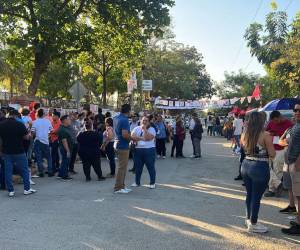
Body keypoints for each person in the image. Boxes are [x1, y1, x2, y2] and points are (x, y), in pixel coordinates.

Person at [240, 111, 275, 233]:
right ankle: (253, 223)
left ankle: (248, 219)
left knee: (249, 194)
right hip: (259, 167)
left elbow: (243, 151)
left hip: (245, 165)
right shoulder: (265, 135)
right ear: (260, 121)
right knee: (256, 197)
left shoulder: (244, 134)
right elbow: (272, 154)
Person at [0, 109, 36, 197]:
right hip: (19, 151)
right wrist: (30, 132)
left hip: (6, 152)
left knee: (8, 171)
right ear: (16, 116)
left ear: (8, 115)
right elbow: (27, 137)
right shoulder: (19, 124)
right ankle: (26, 189)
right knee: (24, 170)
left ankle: (11, 191)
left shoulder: (1, 125)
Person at [264, 111, 294, 197]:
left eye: (277, 120)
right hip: (271, 148)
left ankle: (272, 189)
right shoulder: (271, 123)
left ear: (280, 116)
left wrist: (279, 134)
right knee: (269, 168)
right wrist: (270, 133)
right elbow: (266, 132)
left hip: (282, 149)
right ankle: (278, 184)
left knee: (277, 169)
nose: (275, 122)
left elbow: (292, 137)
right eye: (274, 121)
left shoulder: (289, 124)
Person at [282, 103, 300, 235]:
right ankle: (298, 219)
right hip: (291, 162)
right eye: (295, 110)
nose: (297, 112)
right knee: (297, 194)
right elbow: (285, 142)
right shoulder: (296, 126)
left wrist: (299, 162)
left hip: (297, 163)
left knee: (299, 195)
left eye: (299, 110)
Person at [131, 116, 156, 189]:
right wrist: (141, 138)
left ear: (149, 122)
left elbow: (149, 138)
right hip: (138, 150)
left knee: (150, 167)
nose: (144, 122)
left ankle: (152, 183)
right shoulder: (136, 128)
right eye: (143, 120)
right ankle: (137, 182)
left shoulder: (152, 129)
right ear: (141, 121)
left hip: (149, 150)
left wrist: (145, 130)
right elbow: (132, 137)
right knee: (138, 168)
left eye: (146, 120)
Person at [114, 104, 132, 194]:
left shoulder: (117, 118)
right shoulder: (124, 120)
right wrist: (131, 139)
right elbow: (125, 134)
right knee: (122, 168)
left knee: (123, 167)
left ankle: (122, 186)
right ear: (128, 111)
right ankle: (118, 188)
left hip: (118, 144)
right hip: (123, 145)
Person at [31, 108, 53, 177]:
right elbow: (51, 130)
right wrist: (48, 135)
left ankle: (41, 172)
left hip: (37, 140)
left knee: (38, 157)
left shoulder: (35, 122)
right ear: (43, 114)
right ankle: (50, 171)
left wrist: (35, 135)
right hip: (46, 141)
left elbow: (33, 132)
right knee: (48, 157)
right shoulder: (48, 121)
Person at [57, 115, 74, 180]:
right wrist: (68, 151)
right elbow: (64, 141)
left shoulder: (66, 127)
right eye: (68, 119)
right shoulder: (62, 129)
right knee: (66, 161)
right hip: (65, 148)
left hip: (67, 147)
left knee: (64, 161)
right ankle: (64, 176)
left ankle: (61, 174)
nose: (70, 120)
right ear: (65, 120)